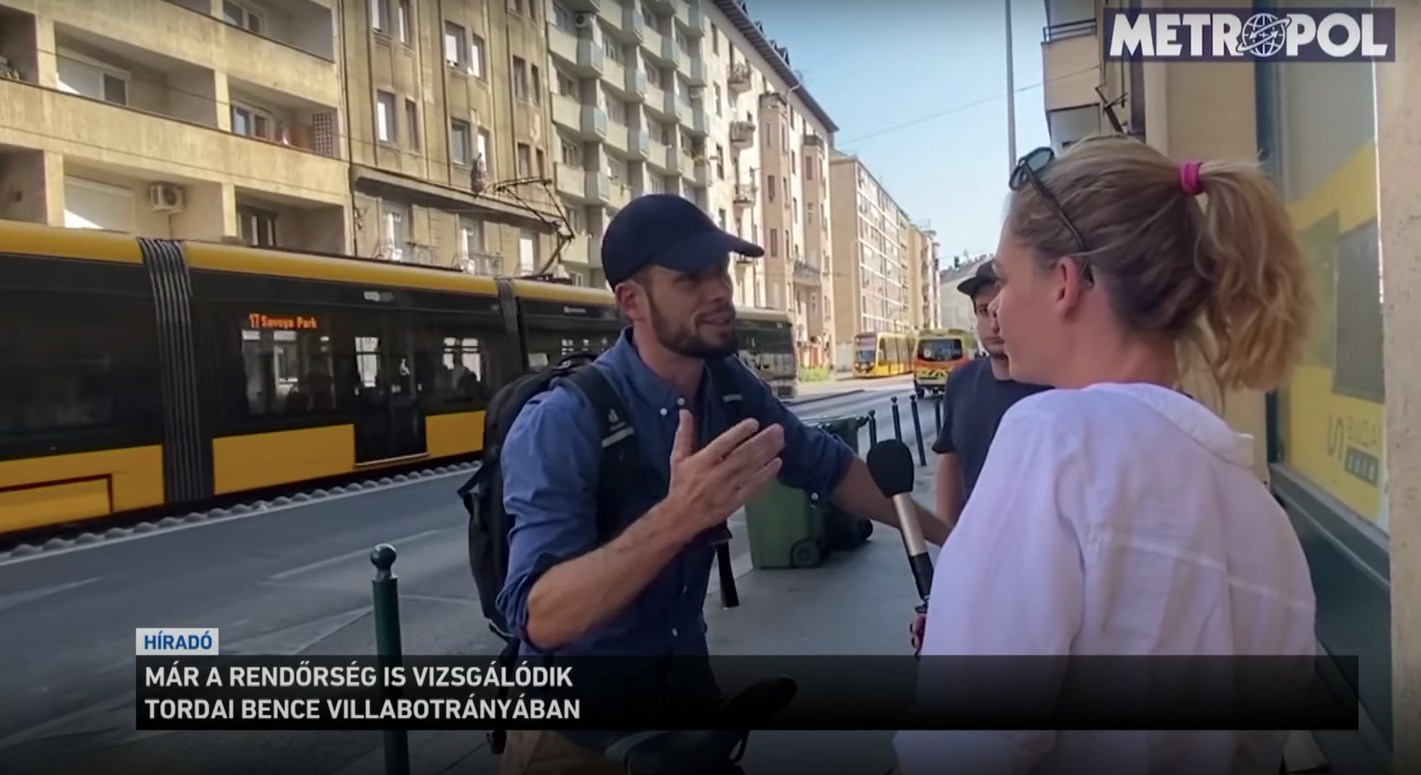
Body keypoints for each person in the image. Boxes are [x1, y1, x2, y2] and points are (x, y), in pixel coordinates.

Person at [892, 136, 1317, 774]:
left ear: (1066, 281)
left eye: (1004, 278)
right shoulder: (1261, 514)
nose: (996, 306)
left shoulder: (1054, 439)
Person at [496, 194, 948, 775]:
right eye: (690, 278)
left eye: (720, 272)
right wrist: (678, 516)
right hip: (575, 736)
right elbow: (539, 618)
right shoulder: (562, 420)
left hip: (685, 699)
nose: (719, 292)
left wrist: (956, 541)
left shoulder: (727, 385)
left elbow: (825, 466)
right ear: (631, 300)